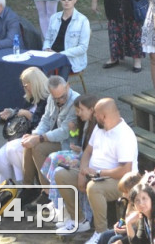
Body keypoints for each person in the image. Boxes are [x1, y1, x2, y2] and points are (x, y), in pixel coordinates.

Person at [53, 98, 138, 241]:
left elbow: (125, 170)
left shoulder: (124, 135)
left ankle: (100, 232)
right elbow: (87, 152)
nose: (93, 117)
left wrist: (98, 173)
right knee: (60, 174)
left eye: (96, 114)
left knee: (93, 187)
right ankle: (78, 221)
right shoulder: (99, 128)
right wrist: (82, 171)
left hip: (118, 181)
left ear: (104, 116)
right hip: (93, 174)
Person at [21, 75, 80, 190]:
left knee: (38, 148)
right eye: (56, 98)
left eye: (62, 97)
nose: (60, 101)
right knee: (28, 144)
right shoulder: (51, 98)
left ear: (68, 86)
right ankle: (27, 188)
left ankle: (47, 191)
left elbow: (64, 132)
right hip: (55, 137)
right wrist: (35, 135)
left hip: (69, 143)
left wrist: (39, 138)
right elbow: (46, 120)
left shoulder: (75, 102)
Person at [0, 67, 50, 183]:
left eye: (26, 84)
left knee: (12, 149)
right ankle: (5, 191)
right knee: (1, 156)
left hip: (37, 136)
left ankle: (24, 184)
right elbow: (23, 111)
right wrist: (12, 112)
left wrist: (26, 114)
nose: (24, 87)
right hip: (26, 134)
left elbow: (41, 123)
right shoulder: (32, 97)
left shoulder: (47, 100)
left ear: (34, 84)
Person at [42, 0, 91, 75]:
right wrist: (46, 49)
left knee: (55, 73)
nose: (66, 0)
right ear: (60, 0)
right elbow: (47, 39)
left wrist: (60, 54)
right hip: (51, 56)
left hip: (69, 59)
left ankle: (59, 88)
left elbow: (83, 48)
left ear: (75, 0)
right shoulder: (54, 18)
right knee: (35, 69)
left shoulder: (83, 20)